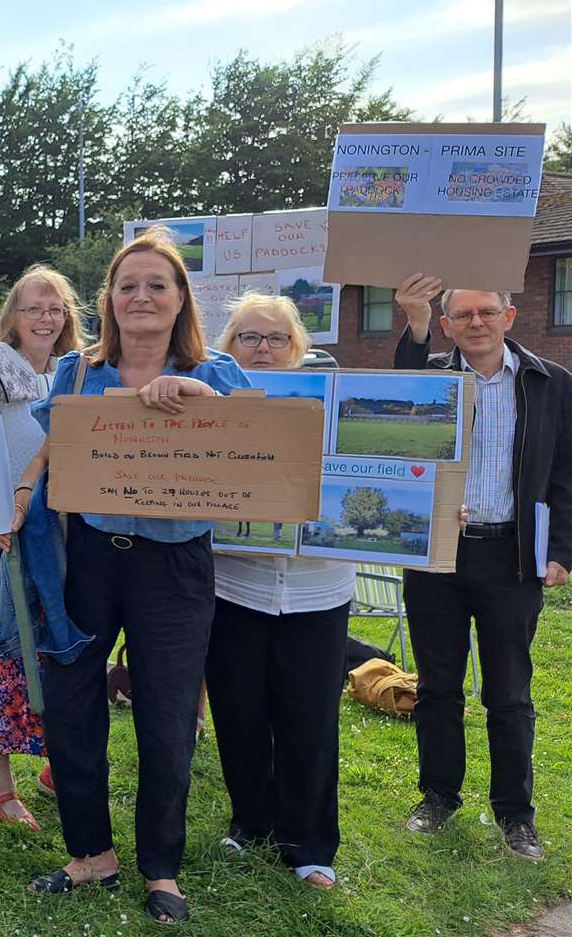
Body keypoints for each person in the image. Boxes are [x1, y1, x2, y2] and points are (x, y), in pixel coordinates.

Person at [3, 229, 249, 925]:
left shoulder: (220, 370)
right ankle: (90, 855)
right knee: (73, 700)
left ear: (179, 300)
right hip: (88, 556)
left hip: (172, 565)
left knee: (167, 715)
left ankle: (160, 868)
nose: (140, 295)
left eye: (156, 285)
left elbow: (252, 451)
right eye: (126, 284)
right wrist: (21, 494)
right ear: (110, 298)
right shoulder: (80, 370)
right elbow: (56, 444)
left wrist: (197, 392)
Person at [392, 275, 571, 861]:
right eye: (462, 314)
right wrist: (412, 322)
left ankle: (516, 816)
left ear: (509, 316)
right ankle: (439, 797)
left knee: (510, 692)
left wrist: (561, 551)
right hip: (437, 553)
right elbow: (396, 388)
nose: (475, 322)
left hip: (512, 556)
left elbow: (567, 477)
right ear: (446, 325)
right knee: (437, 686)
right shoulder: (434, 378)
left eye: (486, 312)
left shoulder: (551, 384)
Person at [205, 293, 353, 888]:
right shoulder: (210, 403)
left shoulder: (332, 403)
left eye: (274, 338)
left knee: (310, 716)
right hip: (234, 583)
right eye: (248, 337)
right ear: (228, 346)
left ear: (298, 347)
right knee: (239, 710)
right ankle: (251, 822)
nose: (262, 348)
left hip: (319, 590)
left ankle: (310, 842)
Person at [0, 264, 82, 831]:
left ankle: (59, 762)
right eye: (34, 307)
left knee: (64, 649)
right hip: (5, 534)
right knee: (7, 653)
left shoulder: (77, 374)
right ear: (13, 315)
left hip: (66, 534)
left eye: (55, 307)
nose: (46, 317)